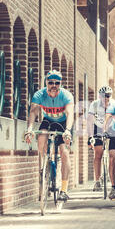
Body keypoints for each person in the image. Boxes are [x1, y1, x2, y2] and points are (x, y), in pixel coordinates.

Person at [24, 69, 74, 202]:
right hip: (48, 121)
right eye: (50, 82)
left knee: (64, 153)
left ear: (60, 84)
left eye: (57, 83)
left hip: (63, 123)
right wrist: (30, 129)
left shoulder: (66, 95)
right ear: (46, 82)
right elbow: (33, 112)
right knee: (41, 140)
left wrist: (68, 130)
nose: (53, 85)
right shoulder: (39, 95)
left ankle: (64, 189)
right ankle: (47, 162)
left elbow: (70, 114)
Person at [87, 86, 115, 192]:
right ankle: (97, 181)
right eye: (103, 96)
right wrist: (90, 136)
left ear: (111, 96)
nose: (106, 98)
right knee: (98, 154)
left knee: (113, 155)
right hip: (98, 127)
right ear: (99, 96)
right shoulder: (94, 104)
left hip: (112, 128)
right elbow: (90, 121)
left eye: (108, 96)